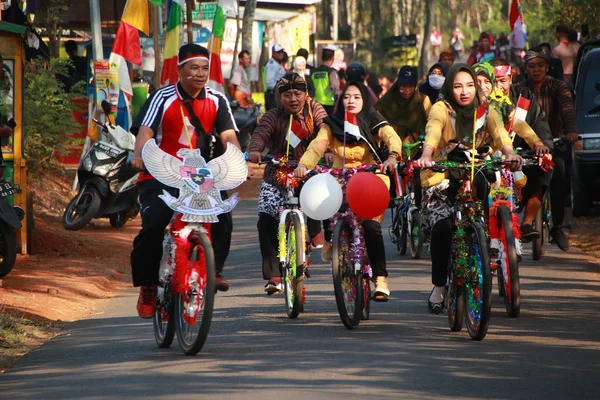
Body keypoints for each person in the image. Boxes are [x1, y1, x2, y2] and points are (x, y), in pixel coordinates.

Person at [129, 44, 241, 318]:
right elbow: (145, 132)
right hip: (161, 171)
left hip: (201, 175)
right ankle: (148, 285)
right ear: (179, 69)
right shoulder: (162, 97)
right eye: (193, 68)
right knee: (153, 226)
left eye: (204, 68)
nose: (200, 74)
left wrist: (236, 159)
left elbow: (228, 137)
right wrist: (139, 155)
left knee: (223, 218)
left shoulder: (217, 99)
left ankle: (214, 270)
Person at [416, 63, 522, 314]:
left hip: (473, 172)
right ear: (450, 88)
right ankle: (440, 286)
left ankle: (482, 247)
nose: (464, 92)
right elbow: (432, 130)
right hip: (441, 176)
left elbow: (499, 132)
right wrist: (427, 153)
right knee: (443, 228)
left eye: (469, 85)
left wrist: (509, 153)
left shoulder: (485, 109)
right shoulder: (442, 108)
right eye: (457, 86)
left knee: (487, 202)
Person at [294, 81, 402, 301]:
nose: (351, 101)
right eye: (347, 97)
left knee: (371, 226)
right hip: (340, 178)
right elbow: (317, 145)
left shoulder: (375, 121)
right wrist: (304, 164)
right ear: (341, 101)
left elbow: (393, 138)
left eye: (357, 97)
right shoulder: (331, 124)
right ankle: (331, 240)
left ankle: (380, 279)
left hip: (370, 179)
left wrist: (392, 157)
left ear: (365, 100)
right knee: (326, 199)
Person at [247, 72, 328, 293]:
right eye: (287, 94)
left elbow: (325, 129)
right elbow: (260, 133)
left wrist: (328, 150)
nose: (293, 99)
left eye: (298, 94)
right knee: (265, 221)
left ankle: (316, 232)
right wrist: (255, 150)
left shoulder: (315, 110)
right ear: (279, 97)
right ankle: (274, 276)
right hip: (276, 177)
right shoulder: (272, 116)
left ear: (306, 94)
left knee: (317, 194)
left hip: (308, 173)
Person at [514, 50, 577, 251]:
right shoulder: (519, 90)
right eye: (532, 66)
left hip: (554, 143)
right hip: (525, 146)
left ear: (547, 67)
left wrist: (572, 131)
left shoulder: (558, 86)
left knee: (558, 174)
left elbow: (567, 109)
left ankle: (557, 227)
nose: (536, 70)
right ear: (525, 69)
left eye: (540, 65)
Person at [491, 58, 554, 240]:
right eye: (493, 81)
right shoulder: (481, 101)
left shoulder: (523, 99)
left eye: (503, 81)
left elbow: (536, 124)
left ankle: (527, 223)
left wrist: (542, 146)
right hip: (488, 158)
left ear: (511, 78)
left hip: (520, 155)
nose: (498, 86)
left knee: (543, 170)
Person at [378, 66, 432, 144]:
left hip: (419, 147)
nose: (407, 90)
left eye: (410, 86)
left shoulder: (423, 100)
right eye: (403, 86)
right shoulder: (386, 101)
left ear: (415, 86)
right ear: (398, 84)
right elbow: (378, 124)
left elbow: (432, 123)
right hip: (391, 146)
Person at [311, 45, 340, 115]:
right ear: (333, 58)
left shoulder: (313, 72)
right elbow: (335, 88)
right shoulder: (332, 72)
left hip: (316, 105)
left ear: (322, 58)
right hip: (329, 105)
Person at [265, 44, 287, 110]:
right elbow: (270, 83)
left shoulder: (277, 63)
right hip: (273, 95)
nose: (281, 54)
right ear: (273, 53)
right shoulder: (272, 65)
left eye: (282, 52)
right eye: (279, 52)